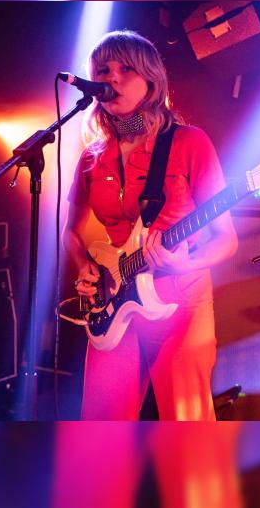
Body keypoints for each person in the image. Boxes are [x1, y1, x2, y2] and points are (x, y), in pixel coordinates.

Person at [62, 29, 238, 420]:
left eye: (126, 68)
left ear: (151, 79)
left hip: (181, 304)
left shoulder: (190, 142)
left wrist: (185, 263)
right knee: (102, 425)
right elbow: (70, 232)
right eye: (103, 70)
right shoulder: (92, 156)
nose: (112, 77)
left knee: (187, 426)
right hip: (114, 301)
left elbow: (226, 240)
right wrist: (84, 266)